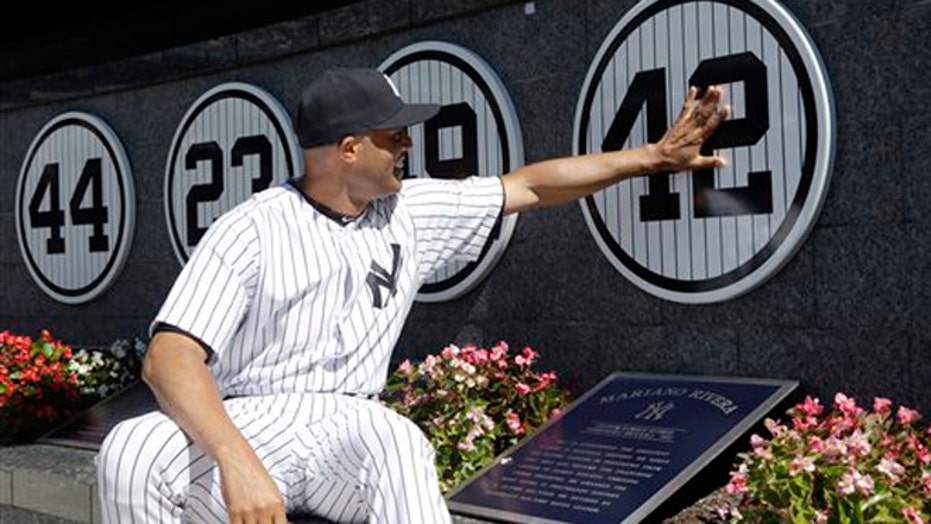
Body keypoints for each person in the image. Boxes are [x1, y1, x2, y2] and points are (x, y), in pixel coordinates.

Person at [96, 67, 728, 524]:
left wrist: (649, 158)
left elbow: (530, 187)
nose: (407, 142)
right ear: (348, 149)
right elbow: (169, 356)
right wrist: (236, 460)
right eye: (392, 133)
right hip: (249, 417)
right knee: (129, 449)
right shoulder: (253, 227)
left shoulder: (410, 209)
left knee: (396, 441)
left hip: (348, 424)